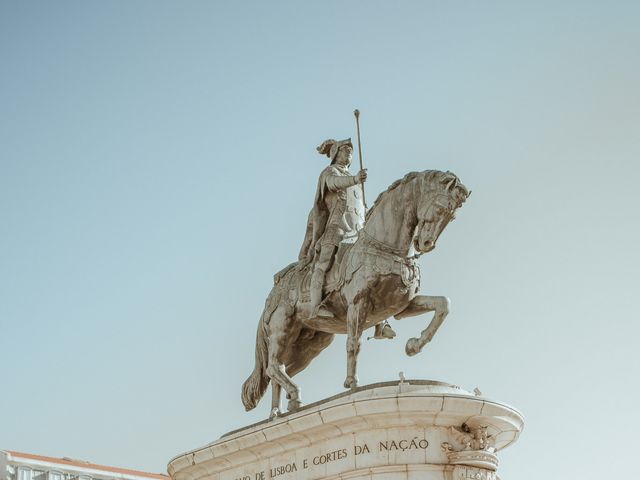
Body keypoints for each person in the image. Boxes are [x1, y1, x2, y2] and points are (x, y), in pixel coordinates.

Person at [298, 138, 396, 339]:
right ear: (336, 154)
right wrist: (355, 180)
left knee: (371, 270)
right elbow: (334, 184)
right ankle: (316, 306)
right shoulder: (330, 173)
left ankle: (381, 322)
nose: (349, 153)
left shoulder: (354, 179)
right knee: (323, 263)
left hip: (358, 232)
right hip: (337, 229)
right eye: (344, 150)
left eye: (350, 151)